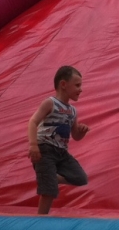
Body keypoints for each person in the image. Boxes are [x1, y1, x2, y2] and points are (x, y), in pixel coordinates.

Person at [27, 66, 90, 215]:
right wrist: (33, 145)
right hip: (45, 150)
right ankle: (41, 220)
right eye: (77, 85)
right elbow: (32, 122)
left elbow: (74, 136)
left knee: (81, 178)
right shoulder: (50, 103)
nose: (80, 89)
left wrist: (81, 132)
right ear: (63, 84)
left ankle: (50, 176)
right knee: (49, 190)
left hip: (61, 152)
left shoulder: (73, 111)